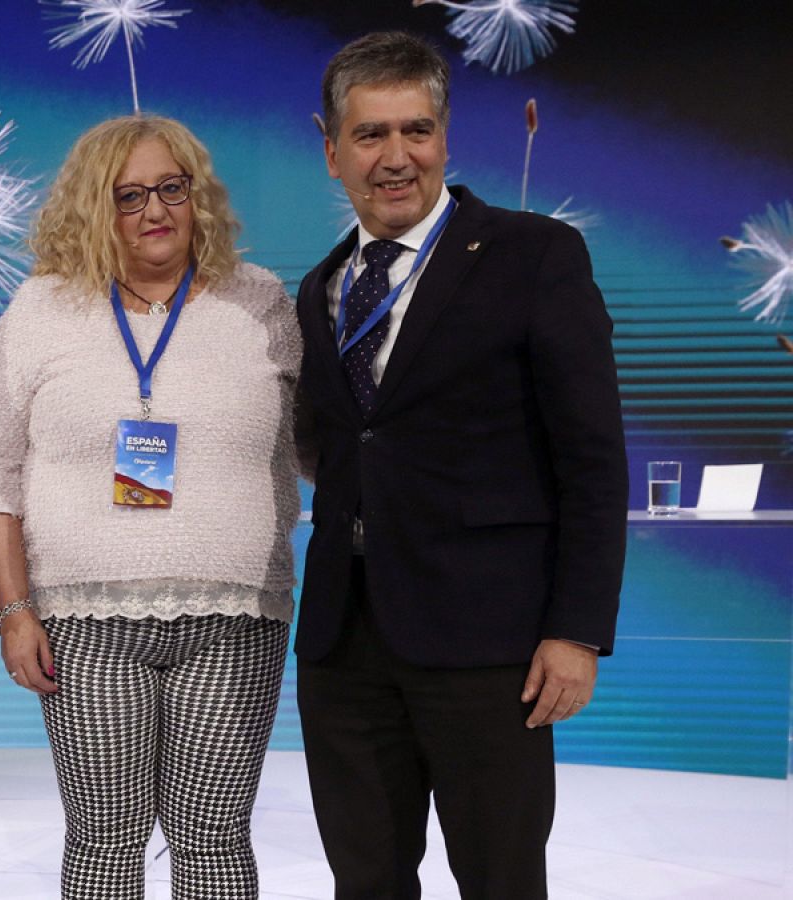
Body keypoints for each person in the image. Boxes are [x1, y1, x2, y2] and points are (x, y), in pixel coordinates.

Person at [293, 32, 627, 899]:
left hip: (491, 644)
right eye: (370, 135)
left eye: (417, 130)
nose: (396, 157)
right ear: (331, 151)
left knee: (501, 879)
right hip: (343, 643)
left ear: (445, 138)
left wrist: (578, 629)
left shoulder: (535, 256)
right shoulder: (320, 286)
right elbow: (344, 445)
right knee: (365, 880)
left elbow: (592, 459)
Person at [0, 114, 301, 899]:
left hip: (236, 620)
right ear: (92, 208)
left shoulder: (259, 301)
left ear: (199, 197)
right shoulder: (41, 309)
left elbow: (321, 443)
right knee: (103, 844)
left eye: (170, 189)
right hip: (83, 630)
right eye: (128, 197)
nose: (154, 212)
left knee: (214, 842)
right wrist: (15, 609)